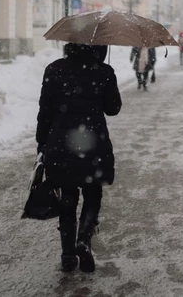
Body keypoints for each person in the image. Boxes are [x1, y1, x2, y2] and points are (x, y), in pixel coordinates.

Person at [37, 43, 122, 273]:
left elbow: (45, 110)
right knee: (93, 193)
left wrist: (41, 141)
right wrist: (105, 78)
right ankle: (84, 239)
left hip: (61, 143)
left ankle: (67, 255)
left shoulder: (54, 69)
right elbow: (113, 108)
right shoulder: (103, 72)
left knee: (68, 196)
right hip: (93, 143)